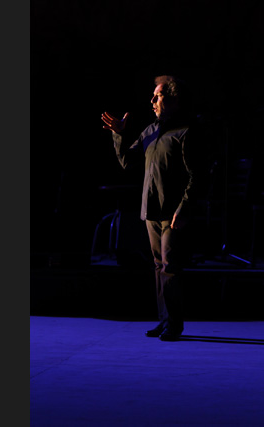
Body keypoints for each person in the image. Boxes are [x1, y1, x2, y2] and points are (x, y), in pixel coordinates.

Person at [101, 75, 202, 341]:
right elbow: (127, 161)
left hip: (173, 211)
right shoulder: (150, 131)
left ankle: (174, 324)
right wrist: (119, 134)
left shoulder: (185, 132)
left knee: (169, 265)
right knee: (159, 265)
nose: (152, 100)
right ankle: (165, 320)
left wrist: (185, 207)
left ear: (174, 99)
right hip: (152, 209)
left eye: (158, 95)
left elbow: (197, 175)